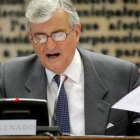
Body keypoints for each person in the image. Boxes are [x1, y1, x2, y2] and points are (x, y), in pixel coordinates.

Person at [0, 0, 140, 136]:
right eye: (40, 37)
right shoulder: (9, 78)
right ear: (30, 38)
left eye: (58, 35)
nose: (50, 46)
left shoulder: (124, 77)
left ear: (77, 33)